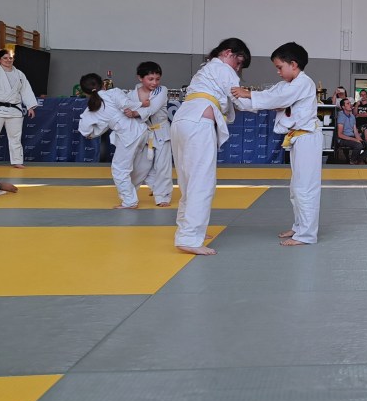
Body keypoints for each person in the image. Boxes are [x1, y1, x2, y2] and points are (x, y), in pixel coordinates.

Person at [232, 42, 321, 246]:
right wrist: (234, 98)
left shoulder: (304, 83)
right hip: (298, 138)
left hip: (308, 138)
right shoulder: (284, 86)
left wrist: (248, 93)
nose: (278, 72)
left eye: (280, 67)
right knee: (296, 188)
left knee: (305, 187)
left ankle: (307, 234)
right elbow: (269, 100)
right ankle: (299, 227)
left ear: (293, 64)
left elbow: (275, 99)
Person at [171, 38, 251, 256]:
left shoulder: (205, 70)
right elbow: (240, 100)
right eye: (238, 62)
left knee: (188, 180)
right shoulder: (223, 69)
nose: (237, 69)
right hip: (199, 123)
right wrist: (272, 101)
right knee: (202, 180)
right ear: (228, 53)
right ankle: (189, 237)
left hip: (182, 121)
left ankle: (188, 229)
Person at [77, 73, 151, 209]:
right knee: (139, 166)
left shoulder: (91, 108)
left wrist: (92, 134)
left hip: (128, 137)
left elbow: (85, 129)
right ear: (103, 84)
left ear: (85, 93)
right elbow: (128, 105)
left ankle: (129, 201)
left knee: (119, 169)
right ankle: (150, 191)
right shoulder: (114, 92)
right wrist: (141, 104)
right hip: (141, 130)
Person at [122, 61, 173, 207]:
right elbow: (124, 108)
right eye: (150, 79)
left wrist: (135, 112)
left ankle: (163, 197)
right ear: (140, 78)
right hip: (143, 132)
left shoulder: (161, 90)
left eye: (157, 79)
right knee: (140, 167)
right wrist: (130, 111)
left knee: (163, 166)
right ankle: (129, 196)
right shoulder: (131, 95)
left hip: (161, 131)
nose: (154, 83)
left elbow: (152, 108)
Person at [0, 49, 38, 169]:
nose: (8, 60)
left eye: (10, 58)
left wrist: (30, 106)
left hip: (14, 110)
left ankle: (17, 161)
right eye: (5, 58)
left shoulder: (19, 74)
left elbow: (26, 90)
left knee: (15, 138)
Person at [336, 98, 364, 163]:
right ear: (343, 107)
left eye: (350, 103)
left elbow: (355, 131)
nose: (350, 105)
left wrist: (361, 140)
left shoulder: (352, 116)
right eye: (348, 103)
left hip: (351, 137)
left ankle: (356, 159)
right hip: (343, 139)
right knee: (359, 145)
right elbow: (340, 135)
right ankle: (353, 161)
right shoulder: (341, 115)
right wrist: (355, 140)